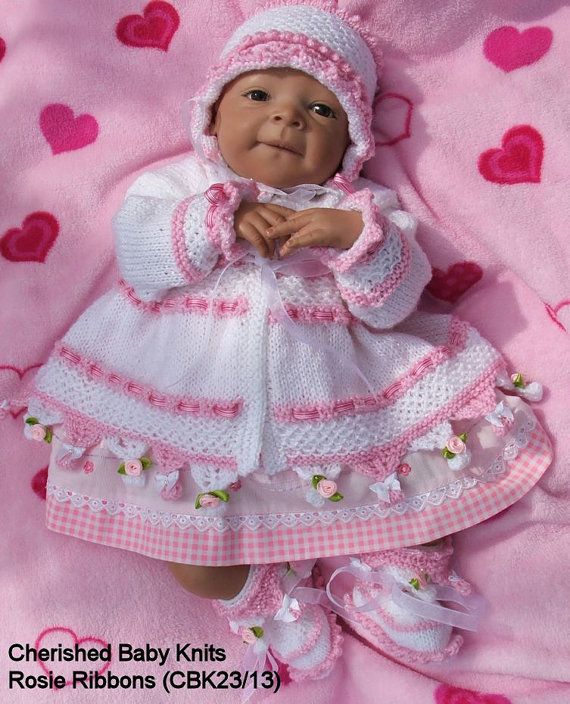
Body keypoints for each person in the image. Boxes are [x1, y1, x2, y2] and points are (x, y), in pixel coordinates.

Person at [16, 4, 552, 682]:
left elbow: (393, 304)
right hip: (189, 416)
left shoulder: (358, 210)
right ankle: (265, 598)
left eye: (321, 111)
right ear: (210, 116)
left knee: (413, 496)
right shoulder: (181, 187)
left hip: (343, 405)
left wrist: (352, 243)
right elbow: (141, 260)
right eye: (260, 94)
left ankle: (400, 572)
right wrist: (217, 223)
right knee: (194, 557)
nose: (288, 117)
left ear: (351, 147)